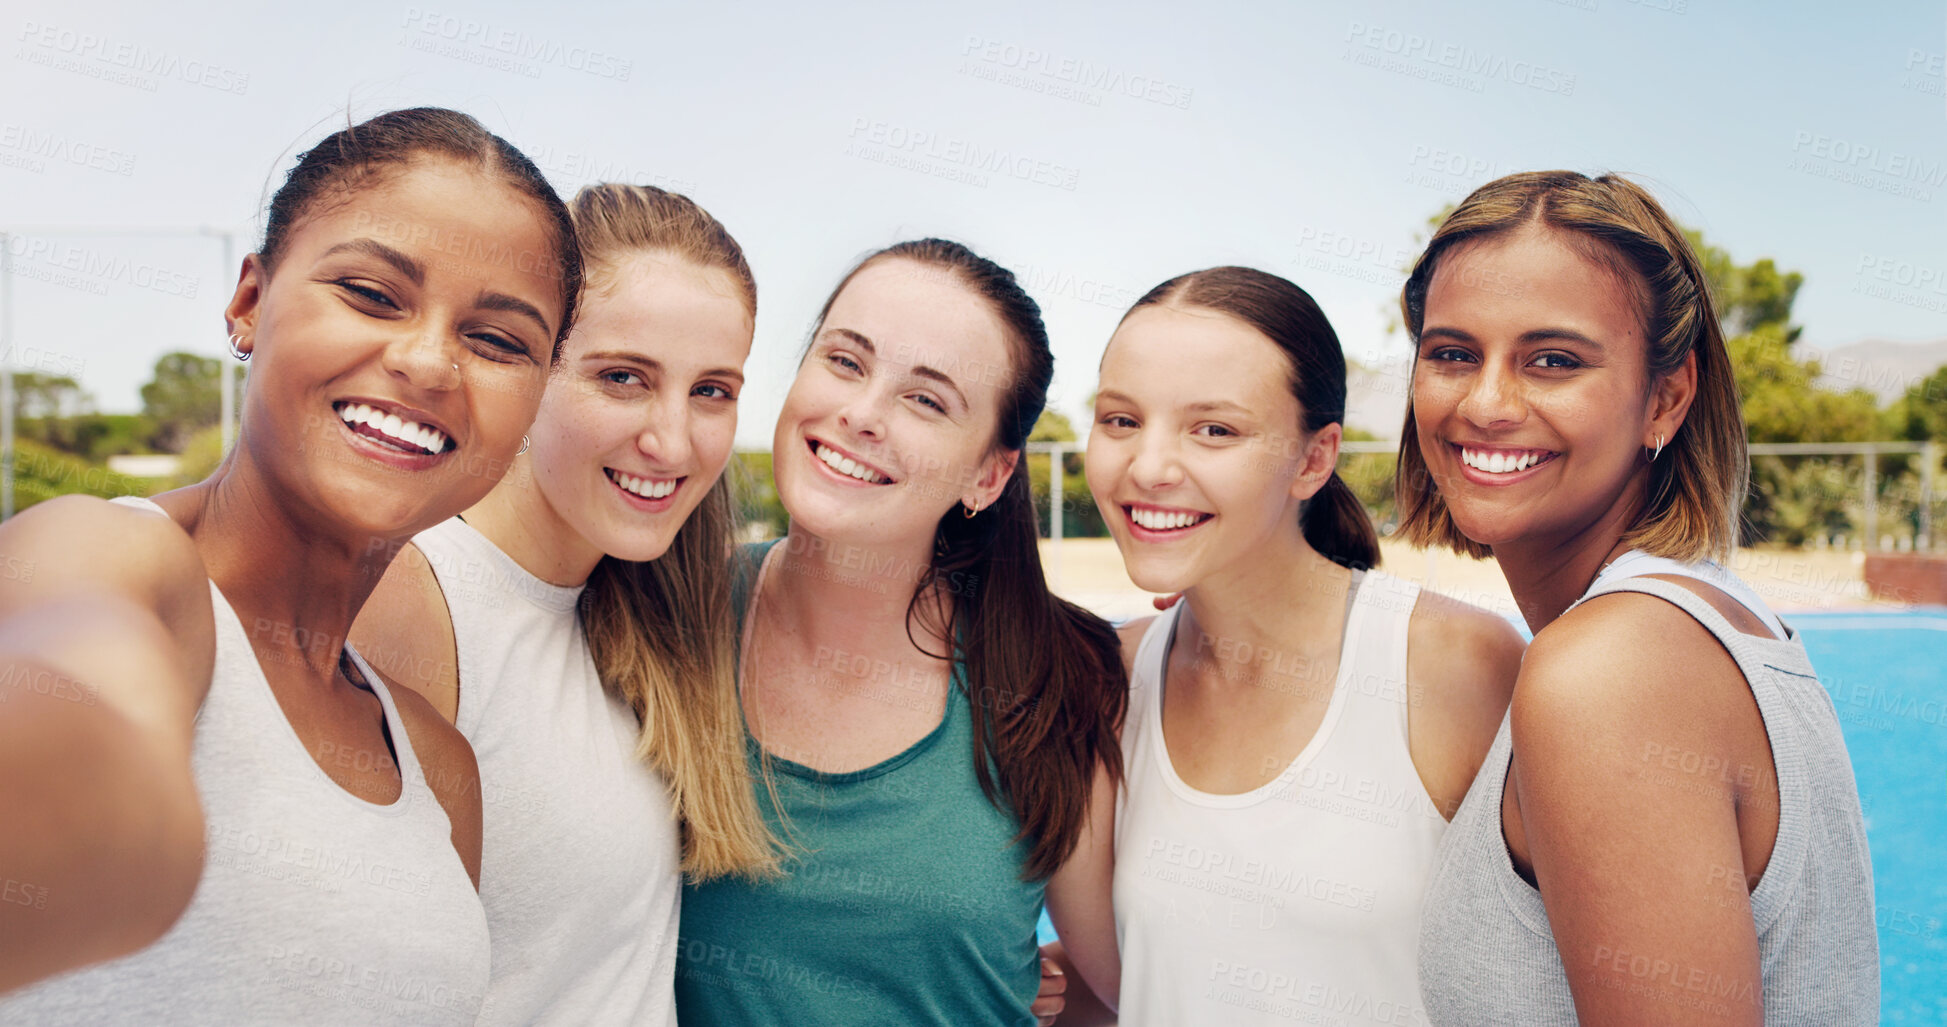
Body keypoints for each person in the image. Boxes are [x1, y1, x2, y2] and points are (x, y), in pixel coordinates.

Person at [0, 107, 580, 1023]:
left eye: (499, 341)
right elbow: (65, 709)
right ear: (249, 303)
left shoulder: (437, 764)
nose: (428, 362)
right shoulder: (114, 555)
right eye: (371, 293)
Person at [1406, 171, 1879, 1024]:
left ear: (1665, 395)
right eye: (1451, 353)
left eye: (1552, 360)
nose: (1484, 402)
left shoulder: (1610, 670)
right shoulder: (1698, 619)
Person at [349, 183, 777, 1025]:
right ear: (530, 366)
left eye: (712, 391)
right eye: (623, 377)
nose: (673, 440)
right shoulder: (414, 604)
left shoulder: (643, 617)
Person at [674, 239, 1126, 1027]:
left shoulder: (1058, 681)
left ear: (988, 474)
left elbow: (1129, 991)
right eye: (845, 362)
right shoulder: (660, 625)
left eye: (926, 400)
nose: (861, 413)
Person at [1075, 266, 1522, 1026]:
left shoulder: (1455, 663)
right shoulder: (1102, 680)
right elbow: (1130, 986)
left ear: (1313, 460)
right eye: (1119, 420)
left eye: (1213, 429)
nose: (1146, 467)